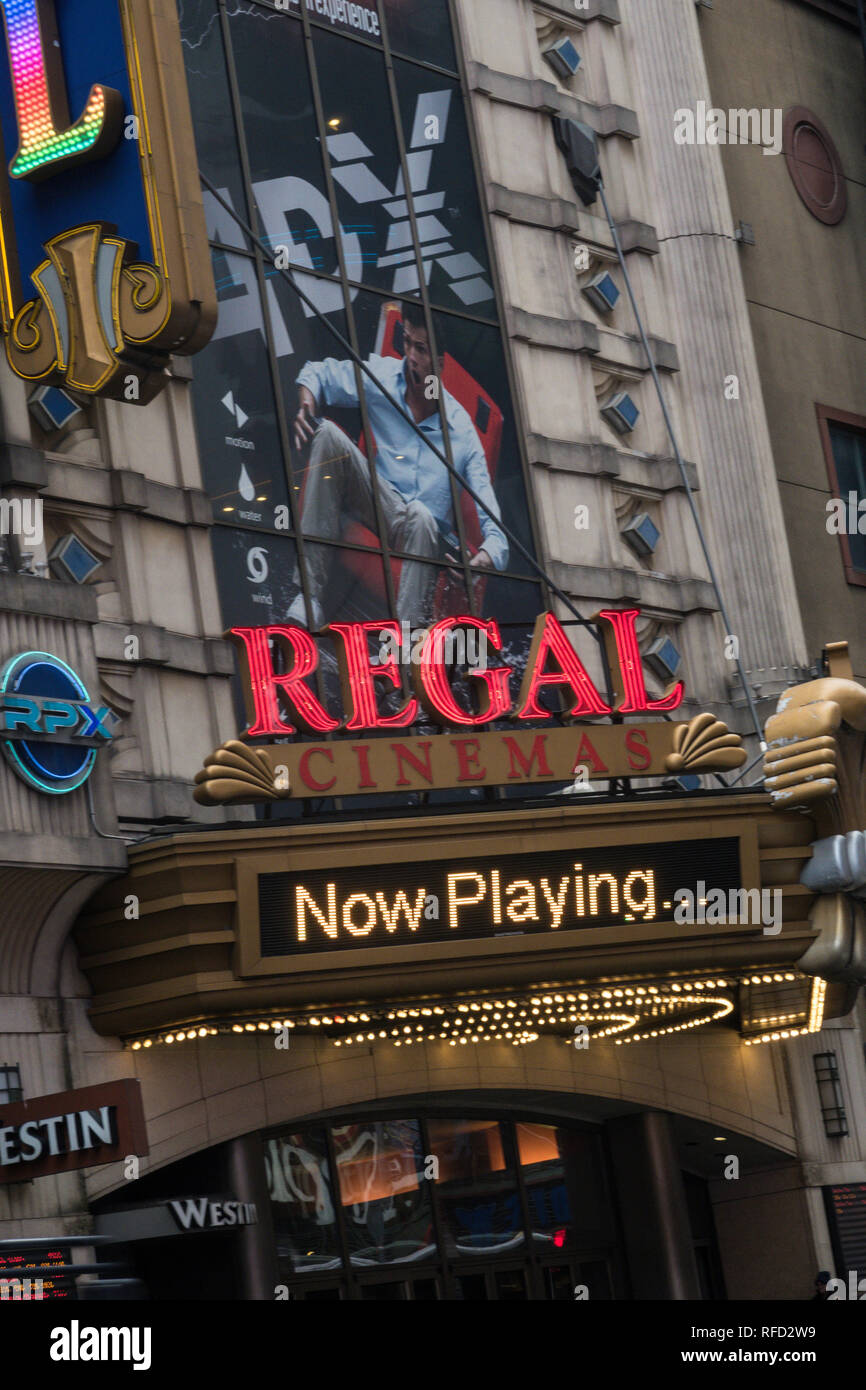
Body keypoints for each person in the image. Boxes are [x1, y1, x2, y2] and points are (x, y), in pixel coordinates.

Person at [286, 302, 508, 629]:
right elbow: (321, 373)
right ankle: (310, 597)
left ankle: (405, 644)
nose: (411, 357)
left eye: (420, 349)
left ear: (440, 364)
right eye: (407, 343)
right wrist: (308, 398)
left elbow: (496, 530)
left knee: (420, 514)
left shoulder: (462, 432)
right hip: (376, 499)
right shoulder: (385, 375)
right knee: (329, 433)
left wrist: (482, 559)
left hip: (419, 529)